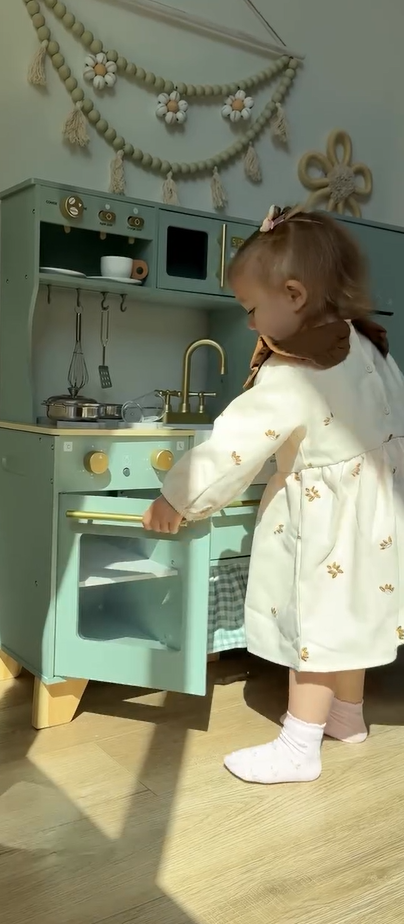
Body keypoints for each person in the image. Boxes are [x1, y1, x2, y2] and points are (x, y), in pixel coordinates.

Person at [143, 205, 404, 785]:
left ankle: (298, 745)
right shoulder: (369, 346)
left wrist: (177, 498)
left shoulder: (293, 370)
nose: (249, 324)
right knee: (349, 618)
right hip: (380, 516)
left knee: (314, 626)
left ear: (293, 295)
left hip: (327, 525)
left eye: (251, 309)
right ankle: (347, 715)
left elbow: (233, 447)